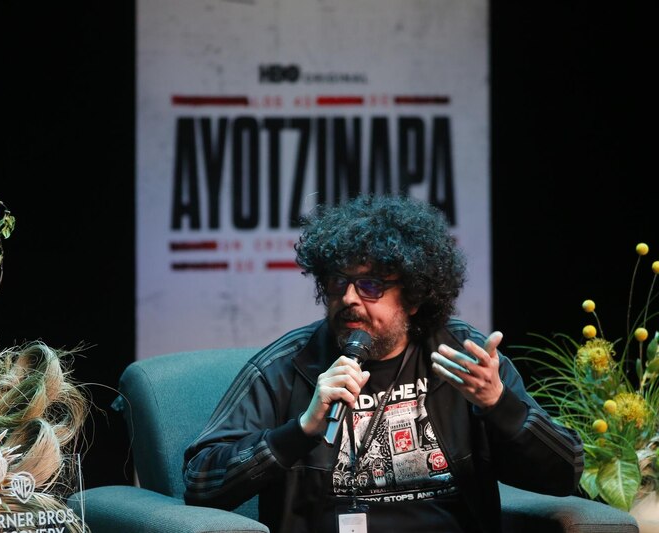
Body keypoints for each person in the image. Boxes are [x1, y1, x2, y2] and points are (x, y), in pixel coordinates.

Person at [183, 194, 583, 533]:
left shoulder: (465, 355)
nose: (350, 299)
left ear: (412, 296)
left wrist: (500, 405)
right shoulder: (287, 367)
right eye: (338, 283)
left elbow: (565, 472)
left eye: (371, 285)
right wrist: (301, 429)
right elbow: (201, 482)